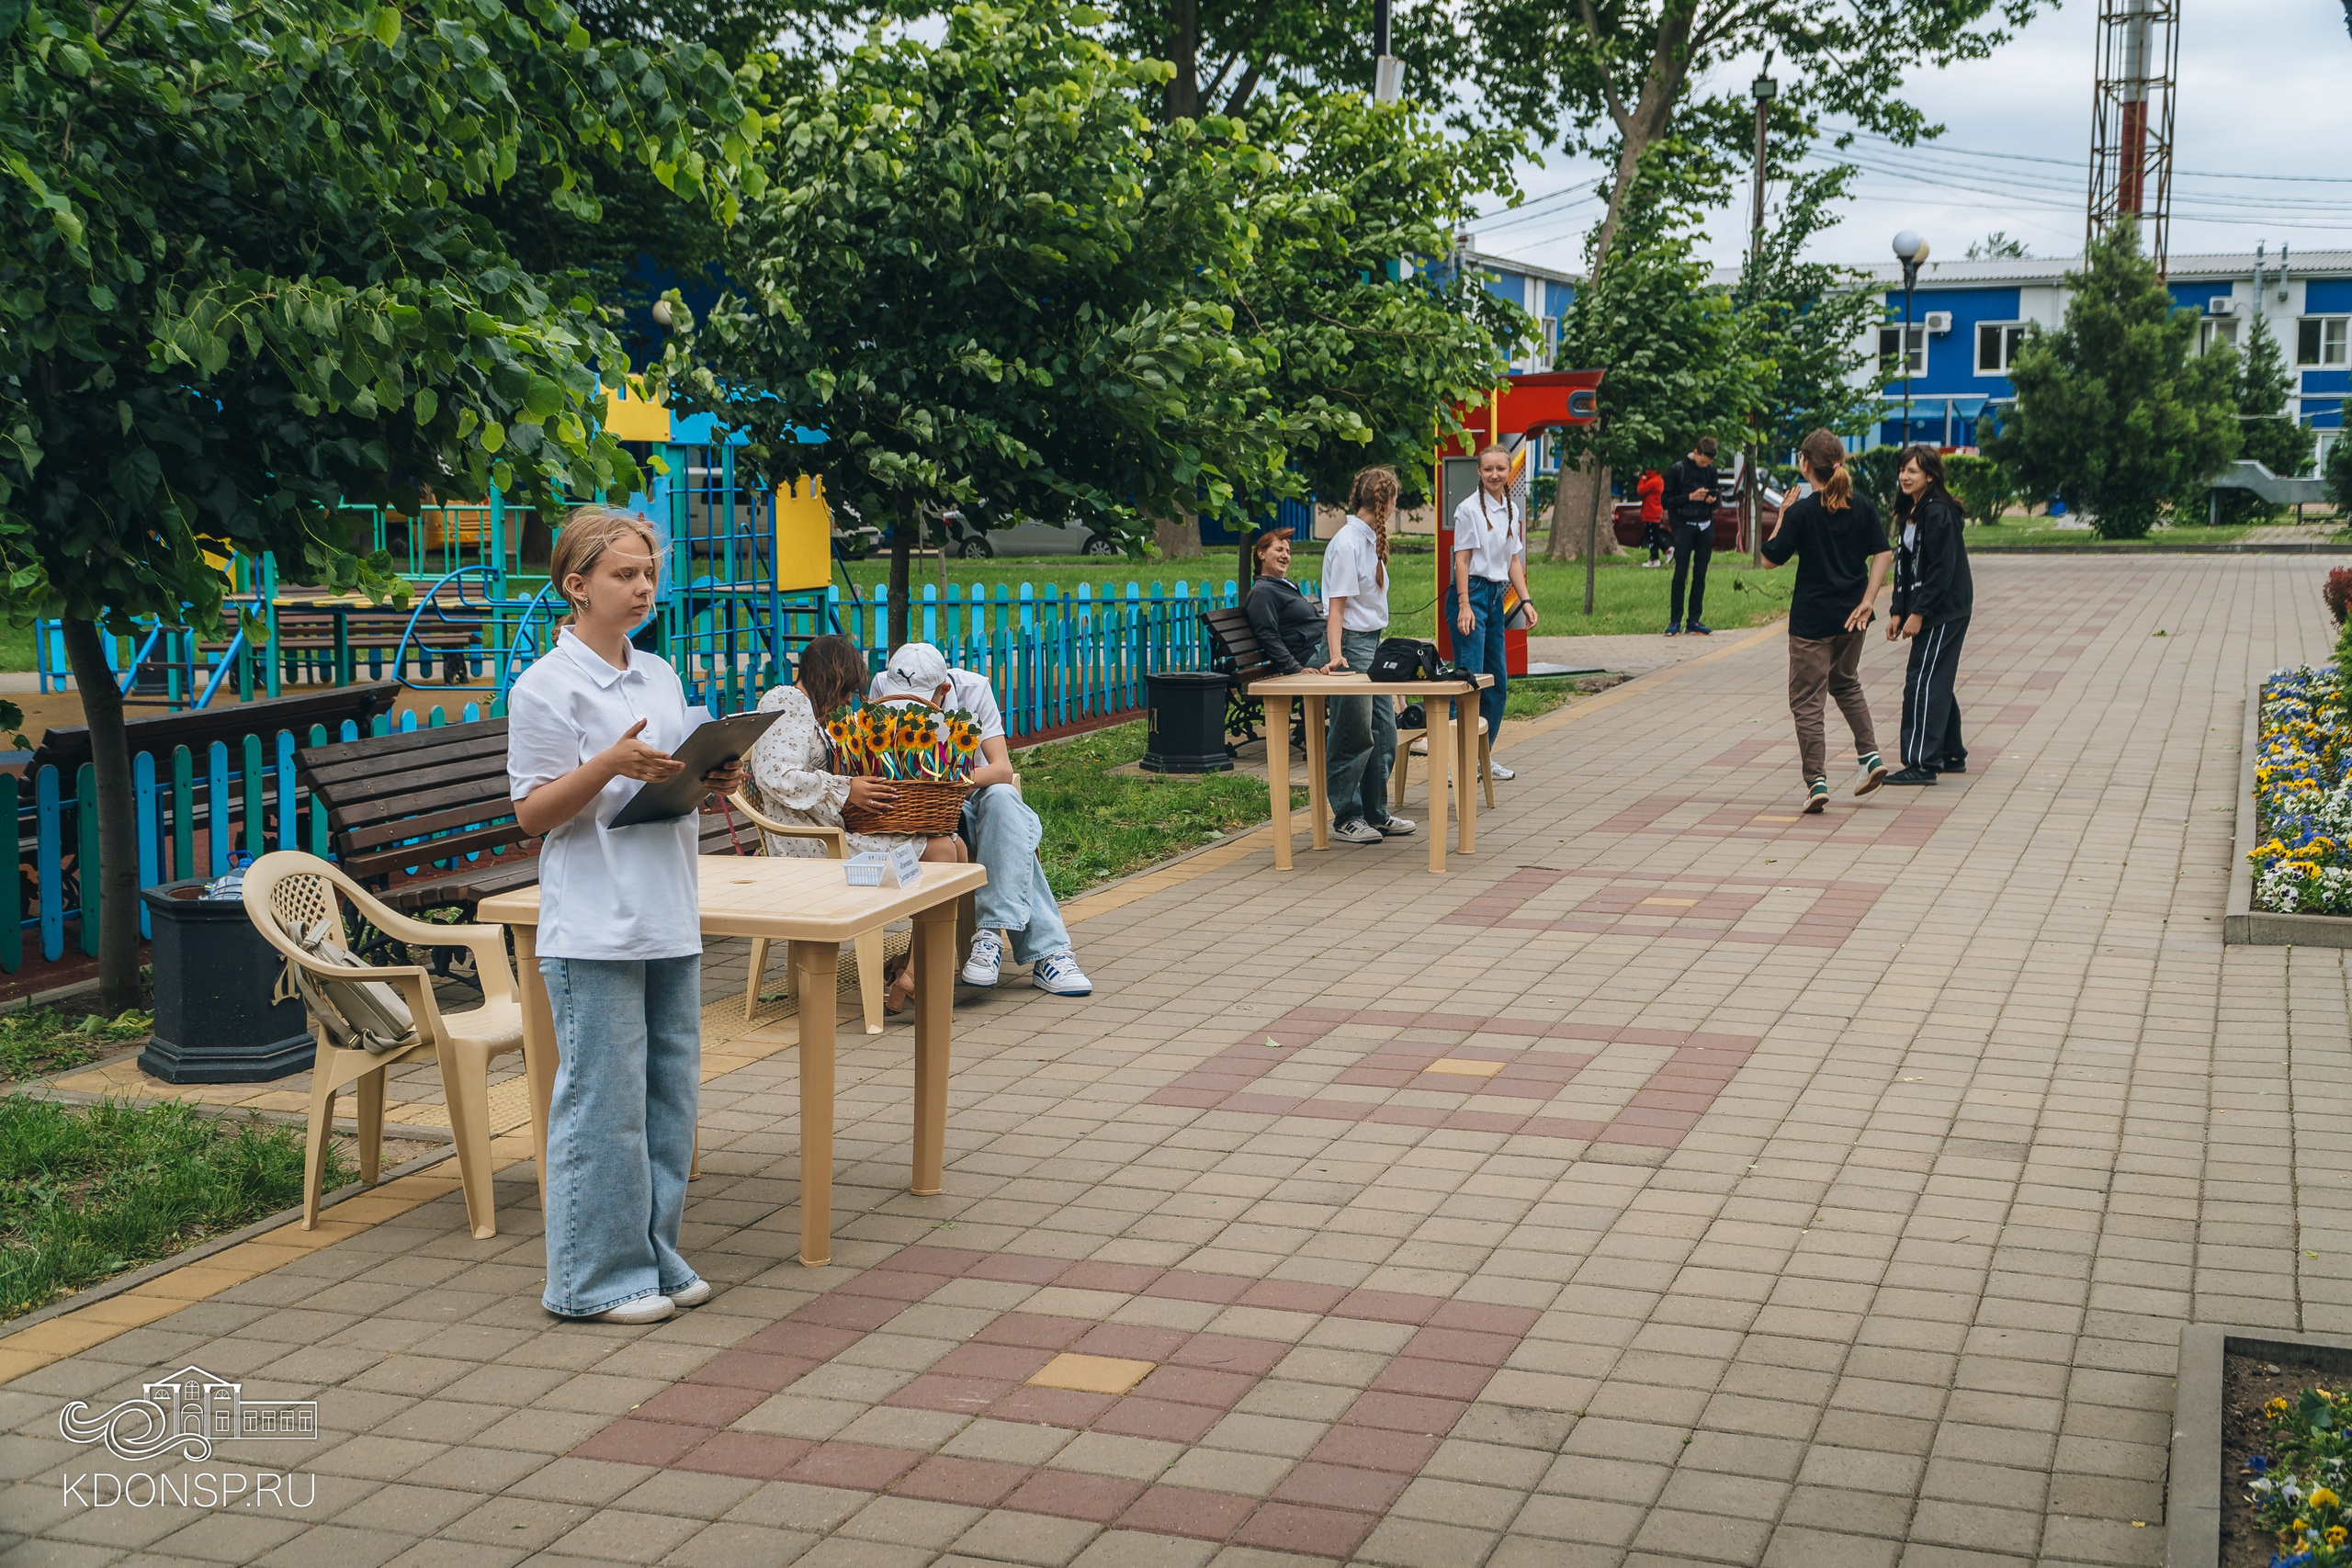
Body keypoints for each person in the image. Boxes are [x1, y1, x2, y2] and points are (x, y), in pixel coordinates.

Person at [507, 507, 745, 1325]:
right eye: (624, 574)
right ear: (576, 586)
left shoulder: (661, 676)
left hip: (668, 912)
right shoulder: (545, 687)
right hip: (594, 927)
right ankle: (591, 1281)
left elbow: (665, 784)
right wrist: (606, 762)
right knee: (602, 1112)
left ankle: (655, 1256)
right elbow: (533, 813)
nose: (644, 586)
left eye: (648, 572)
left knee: (668, 1102)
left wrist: (711, 774)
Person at [747, 634, 967, 1013]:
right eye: (846, 690)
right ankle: (918, 974)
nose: (849, 700)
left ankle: (916, 970)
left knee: (953, 844)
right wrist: (846, 788)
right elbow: (776, 775)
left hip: (829, 831)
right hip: (811, 845)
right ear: (829, 679)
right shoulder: (785, 701)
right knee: (943, 851)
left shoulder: (811, 711)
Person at [868, 642, 1093, 996]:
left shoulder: (973, 689)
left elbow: (1003, 769)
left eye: (920, 701)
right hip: (920, 813)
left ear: (944, 690)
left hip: (969, 800)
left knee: (1003, 798)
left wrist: (947, 781)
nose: (909, 712)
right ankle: (1049, 953)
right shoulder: (883, 684)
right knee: (1012, 830)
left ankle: (989, 935)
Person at [1762, 431, 1894, 814]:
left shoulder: (1803, 512)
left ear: (1805, 464)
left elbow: (1770, 559)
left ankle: (1816, 781)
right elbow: (1883, 553)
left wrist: (1783, 514)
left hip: (1812, 622)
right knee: (1845, 683)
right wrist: (1869, 602)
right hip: (1853, 618)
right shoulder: (1863, 506)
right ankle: (1869, 757)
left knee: (1806, 700)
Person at [1320, 468, 1415, 845]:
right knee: (1352, 733)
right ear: (1387, 502)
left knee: (1384, 732)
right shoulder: (1346, 544)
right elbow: (1336, 609)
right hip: (1352, 645)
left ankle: (1376, 813)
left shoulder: (1368, 540)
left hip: (1372, 643)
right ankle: (1348, 815)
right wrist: (1336, 657)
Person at [1885, 444, 1974, 785]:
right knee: (1934, 677)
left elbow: (1942, 570)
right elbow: (1905, 566)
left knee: (1922, 681)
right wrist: (1897, 610)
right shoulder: (1913, 510)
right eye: (1902, 470)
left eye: (1913, 471)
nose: (1905, 477)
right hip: (1929, 607)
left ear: (1930, 475)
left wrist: (1919, 613)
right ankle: (1951, 753)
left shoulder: (1938, 513)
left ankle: (1922, 763)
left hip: (1943, 610)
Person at [1452, 443, 1535, 778]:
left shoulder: (1511, 510)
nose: (1495, 475)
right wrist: (1463, 605)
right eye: (1488, 469)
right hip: (1470, 592)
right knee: (1469, 681)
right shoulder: (1468, 509)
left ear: (1508, 471)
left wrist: (1526, 601)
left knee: (1497, 682)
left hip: (1494, 596)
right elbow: (1462, 559)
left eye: (1501, 469)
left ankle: (1482, 758)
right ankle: (1458, 760)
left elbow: (1513, 560)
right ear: (1479, 472)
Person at [1243, 528, 1326, 675]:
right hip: (1310, 656)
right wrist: (1296, 669)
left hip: (1322, 647)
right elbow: (1267, 634)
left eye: (1288, 552)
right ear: (1261, 554)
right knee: (1360, 653)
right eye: (1279, 550)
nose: (1285, 556)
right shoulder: (1263, 591)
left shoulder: (1283, 585)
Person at [1661, 436, 1722, 635]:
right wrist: (1690, 497)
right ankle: (1674, 620)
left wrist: (1711, 499)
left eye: (1709, 463)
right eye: (1703, 461)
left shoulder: (1711, 471)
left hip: (1705, 525)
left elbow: (1716, 499)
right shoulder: (1678, 469)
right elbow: (1666, 500)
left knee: (1700, 574)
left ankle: (1694, 620)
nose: (1705, 465)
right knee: (1681, 574)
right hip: (1684, 525)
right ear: (1696, 452)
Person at [1636, 469, 1668, 566]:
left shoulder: (1653, 481)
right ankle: (1666, 549)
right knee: (1654, 535)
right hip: (1655, 510)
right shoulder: (1660, 480)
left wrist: (1642, 480)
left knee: (1651, 536)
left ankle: (1654, 558)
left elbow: (1641, 491)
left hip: (1650, 511)